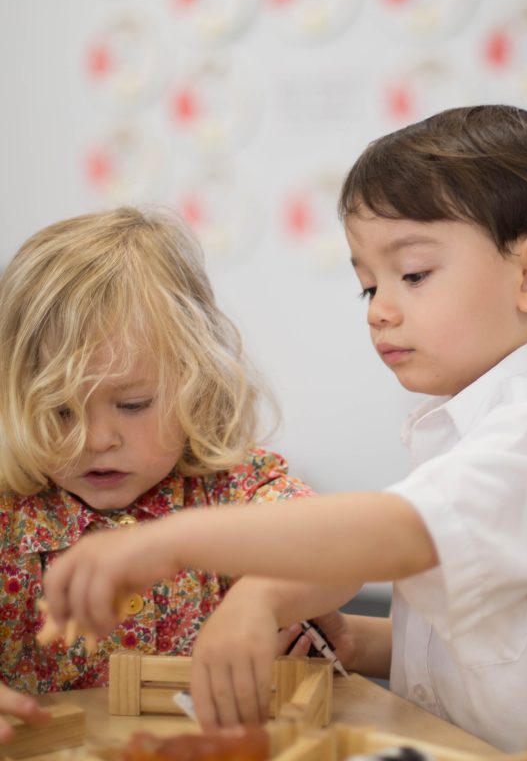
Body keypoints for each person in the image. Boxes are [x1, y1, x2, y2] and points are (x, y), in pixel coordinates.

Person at [41, 106, 527, 752]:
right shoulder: (471, 429)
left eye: (412, 275)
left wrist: (175, 542)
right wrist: (359, 641)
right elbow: (506, 641)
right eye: (367, 287)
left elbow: (392, 534)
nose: (380, 311)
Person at [0, 206, 313, 696]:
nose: (97, 439)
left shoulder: (230, 487)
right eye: (60, 411)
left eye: (132, 404)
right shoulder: (9, 511)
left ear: (198, 385)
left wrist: (260, 597)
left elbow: (336, 551)